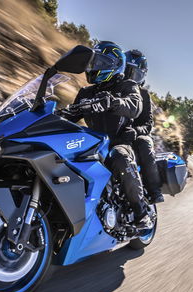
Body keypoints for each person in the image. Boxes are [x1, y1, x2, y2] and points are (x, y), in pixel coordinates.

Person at [64, 41, 152, 228]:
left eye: (100, 63)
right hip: (90, 142)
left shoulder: (127, 85)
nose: (93, 67)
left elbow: (134, 106)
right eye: (93, 62)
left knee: (120, 156)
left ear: (113, 65)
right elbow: (71, 114)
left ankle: (141, 211)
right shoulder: (86, 92)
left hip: (117, 142)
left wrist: (113, 102)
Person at [124, 49, 164, 203]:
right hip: (112, 133)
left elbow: (147, 125)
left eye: (136, 74)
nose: (131, 78)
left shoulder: (144, 95)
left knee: (144, 142)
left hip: (133, 136)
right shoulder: (114, 88)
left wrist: (135, 131)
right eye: (128, 71)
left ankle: (155, 191)